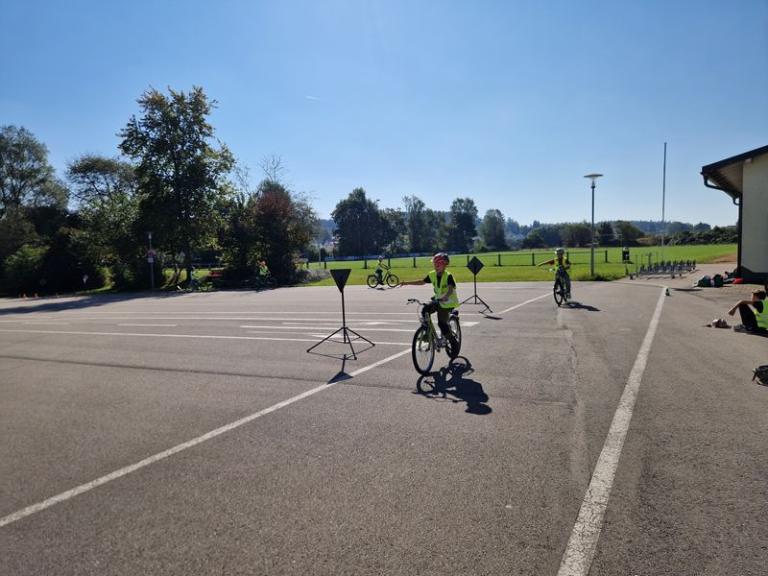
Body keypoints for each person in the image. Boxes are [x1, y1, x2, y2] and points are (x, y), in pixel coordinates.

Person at [399, 252, 459, 349]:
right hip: (438, 300)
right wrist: (406, 283)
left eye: (438, 265)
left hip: (448, 302)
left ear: (444, 265)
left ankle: (453, 342)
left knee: (442, 324)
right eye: (434, 264)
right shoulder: (432, 274)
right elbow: (422, 281)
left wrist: (446, 296)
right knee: (425, 309)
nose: (436, 267)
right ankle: (427, 334)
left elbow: (450, 288)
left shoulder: (448, 276)